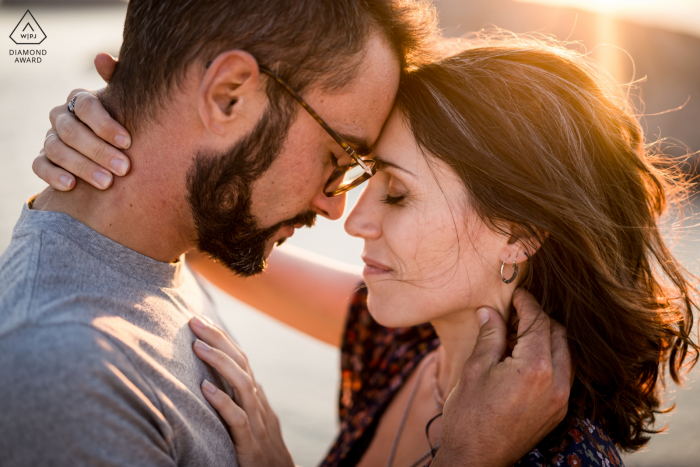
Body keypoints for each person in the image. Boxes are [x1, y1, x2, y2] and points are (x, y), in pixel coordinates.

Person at [42, 38, 699, 467]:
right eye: (370, 178)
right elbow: (209, 239)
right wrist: (116, 149)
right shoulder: (406, 344)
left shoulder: (564, 457)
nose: (354, 220)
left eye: (398, 194)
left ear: (519, 233)